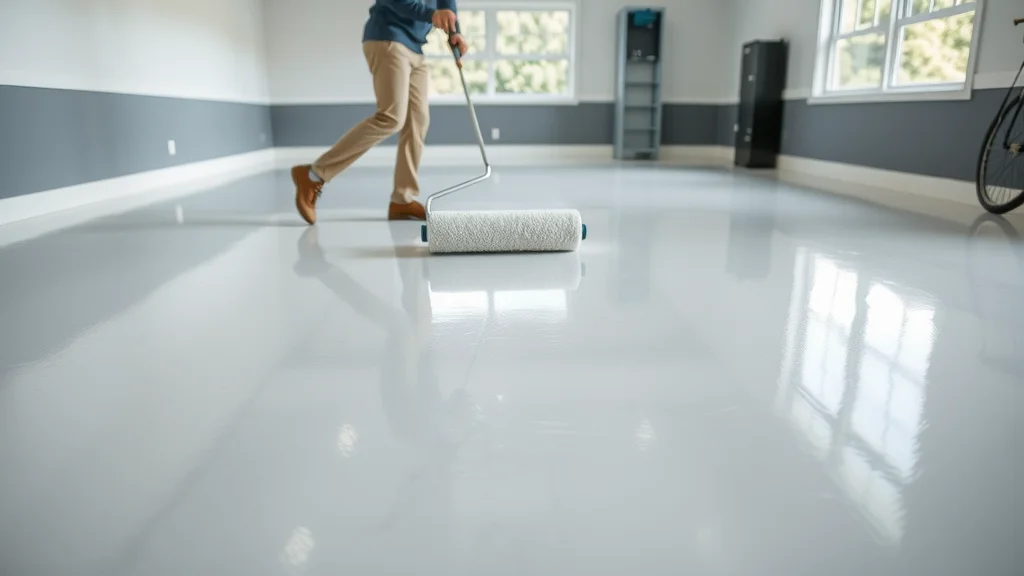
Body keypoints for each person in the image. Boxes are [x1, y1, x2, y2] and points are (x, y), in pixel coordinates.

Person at [290, 0, 469, 225]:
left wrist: (456, 32)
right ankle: (313, 175)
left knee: (418, 120)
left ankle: (402, 200)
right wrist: (431, 14)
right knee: (392, 117)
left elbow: (446, 4)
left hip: (416, 47)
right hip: (389, 37)